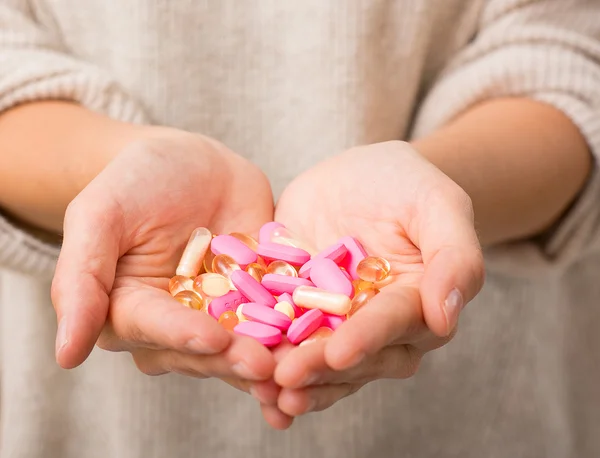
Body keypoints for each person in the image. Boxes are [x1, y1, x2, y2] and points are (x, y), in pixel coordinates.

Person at [0, 0, 598, 456]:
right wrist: (107, 169)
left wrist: (440, 185)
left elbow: (564, 55)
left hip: (480, 413)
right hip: (86, 429)